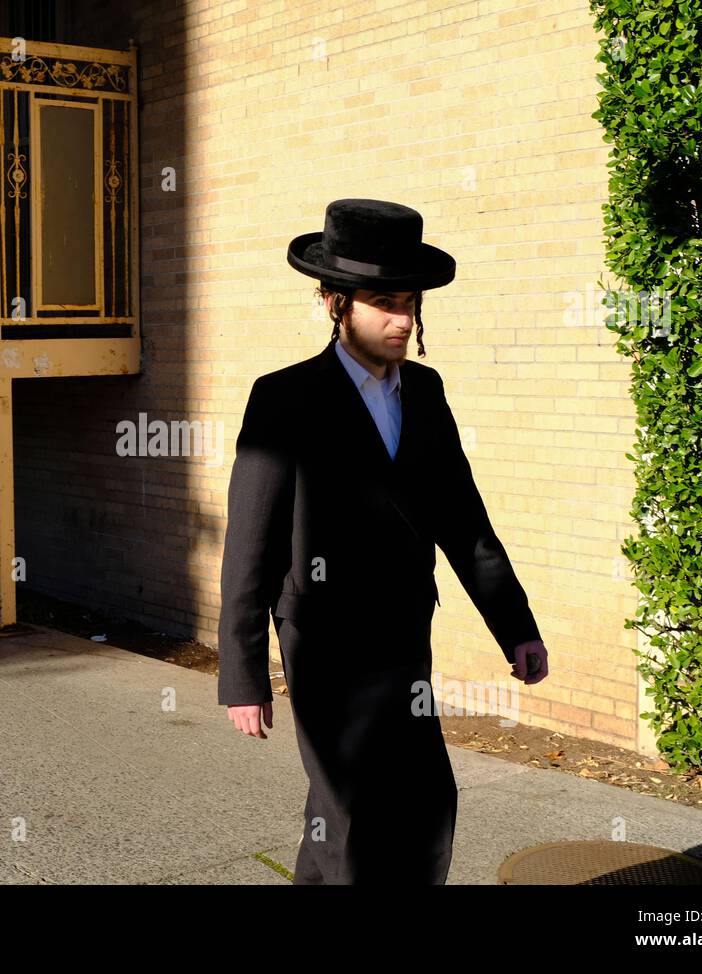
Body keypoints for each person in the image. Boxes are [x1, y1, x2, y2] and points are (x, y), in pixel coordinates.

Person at [217, 199, 550, 885]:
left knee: (426, 805)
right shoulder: (284, 399)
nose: (402, 320)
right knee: (355, 816)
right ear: (336, 302)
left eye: (410, 303)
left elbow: (465, 522)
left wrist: (516, 627)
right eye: (384, 302)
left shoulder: (424, 393)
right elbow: (248, 550)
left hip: (403, 640)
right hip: (325, 645)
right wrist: (243, 675)